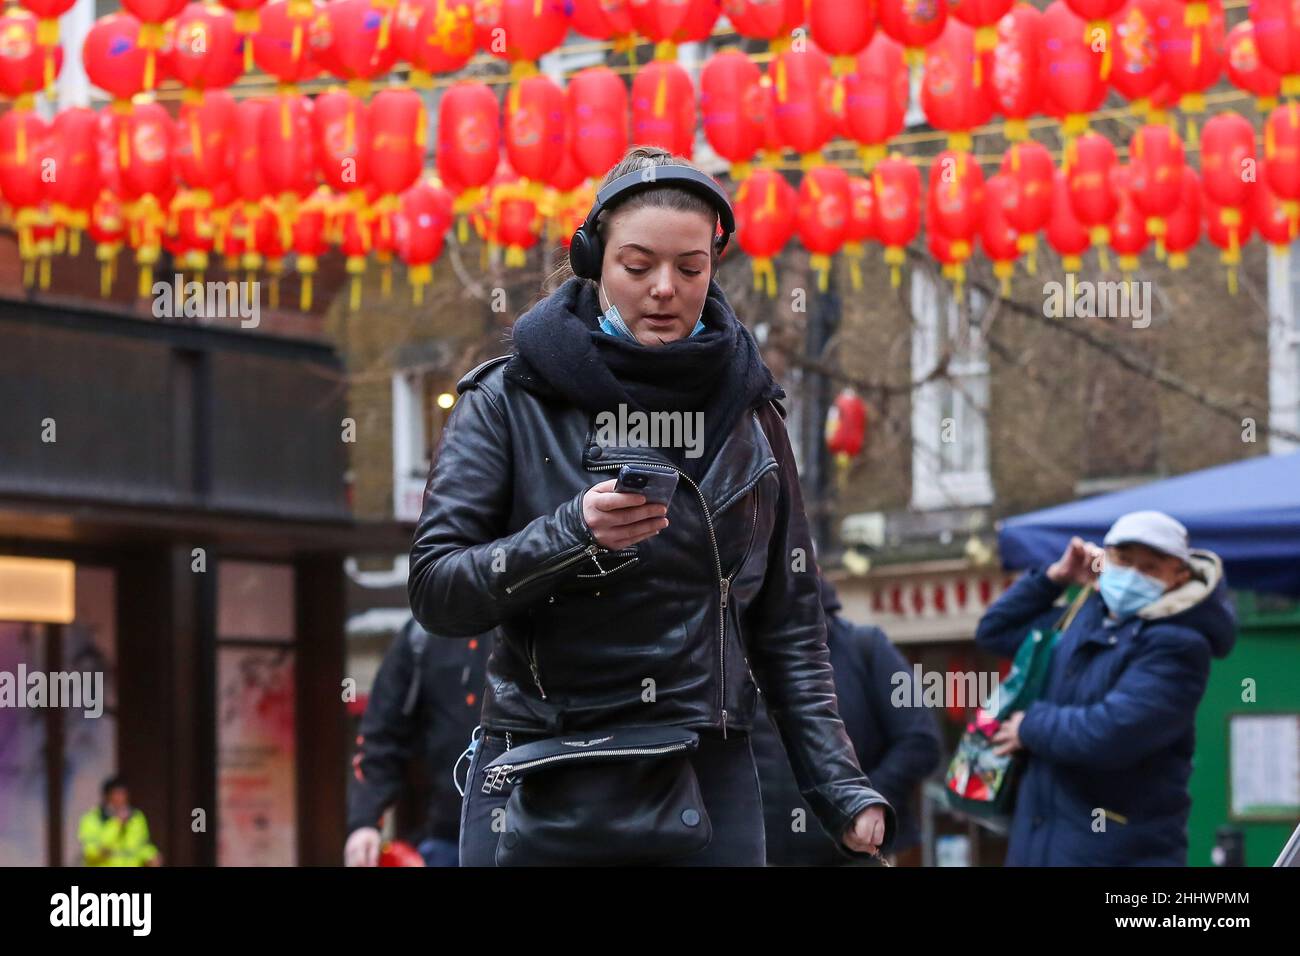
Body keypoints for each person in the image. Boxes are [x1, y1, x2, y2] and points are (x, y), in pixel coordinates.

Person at [408, 146, 895, 866]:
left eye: (690, 269)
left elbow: (789, 624)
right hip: (542, 766)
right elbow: (438, 589)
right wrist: (570, 533)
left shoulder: (752, 416)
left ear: (714, 266)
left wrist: (842, 791)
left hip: (705, 768)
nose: (664, 289)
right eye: (638, 267)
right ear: (594, 261)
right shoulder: (506, 400)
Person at [974, 510, 1236, 866]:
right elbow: (995, 631)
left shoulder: (1178, 645)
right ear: (1105, 559)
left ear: (1178, 575)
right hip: (1042, 848)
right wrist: (1054, 578)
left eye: (1149, 568)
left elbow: (1111, 733)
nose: (1131, 576)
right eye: (1123, 560)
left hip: (1121, 855)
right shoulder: (1087, 614)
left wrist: (1028, 727)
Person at [752, 577, 942, 865]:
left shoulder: (865, 646)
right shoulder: (731, 654)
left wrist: (859, 803)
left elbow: (920, 741)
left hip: (851, 854)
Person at [344, 618, 490, 867]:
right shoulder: (421, 634)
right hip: (446, 838)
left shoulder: (534, 614)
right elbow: (382, 735)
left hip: (533, 835)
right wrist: (365, 821)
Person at [78, 776, 161, 867]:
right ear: (107, 796)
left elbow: (142, 844)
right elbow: (91, 852)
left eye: (124, 794)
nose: (121, 798)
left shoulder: (136, 817)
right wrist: (116, 824)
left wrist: (151, 855)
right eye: (117, 794)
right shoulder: (93, 819)